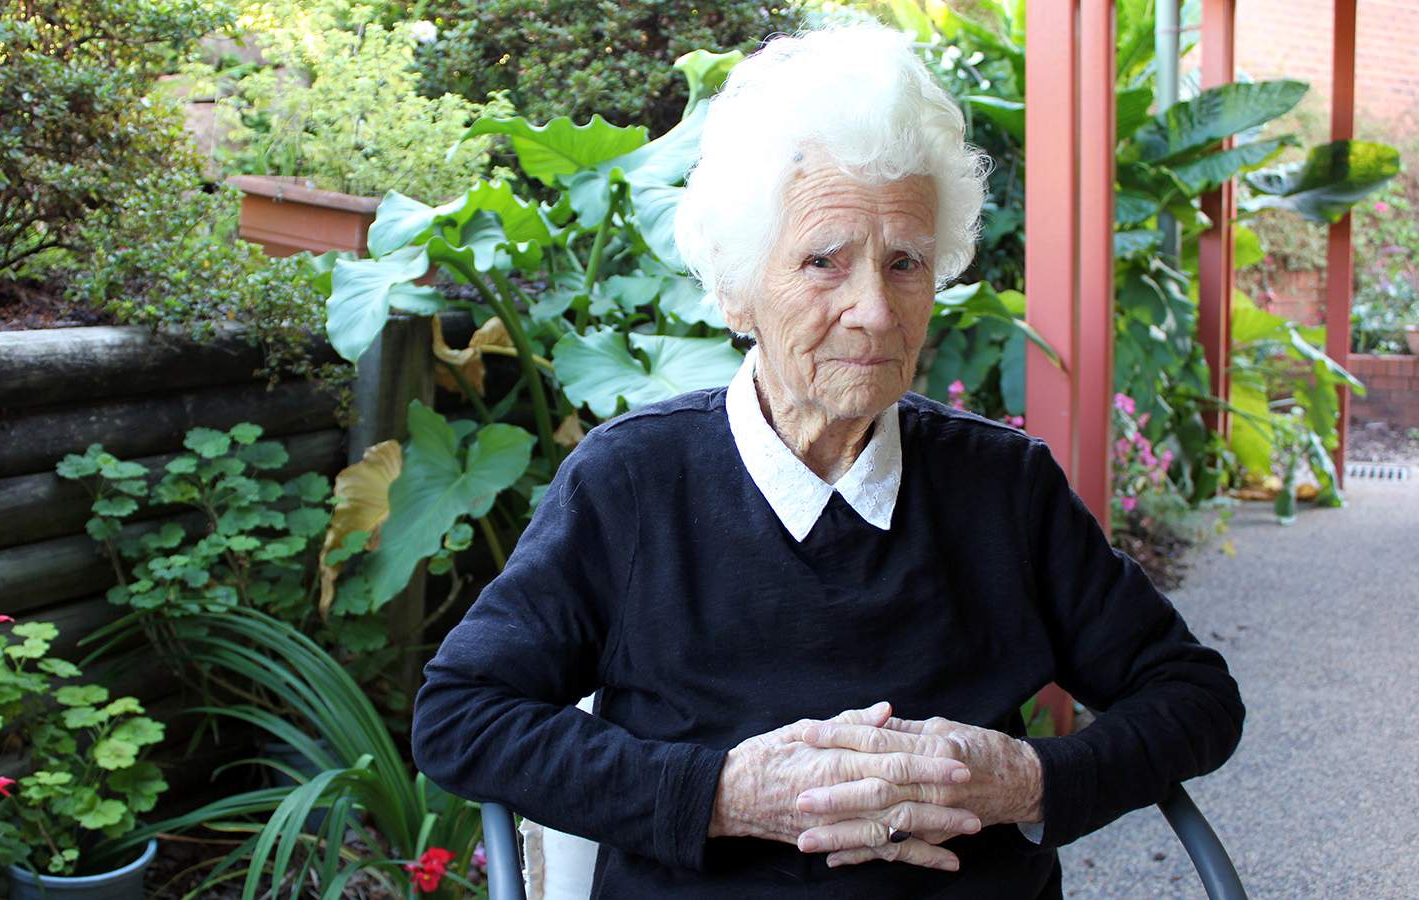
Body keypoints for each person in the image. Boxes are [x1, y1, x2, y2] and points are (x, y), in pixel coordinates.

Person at [410, 23, 1243, 899]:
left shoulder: (1002, 489)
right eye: (823, 260)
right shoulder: (634, 485)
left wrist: (1028, 781)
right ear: (739, 286)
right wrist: (720, 795)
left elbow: (1194, 697)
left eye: (905, 262)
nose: (875, 312)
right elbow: (463, 716)